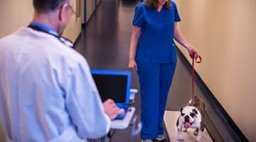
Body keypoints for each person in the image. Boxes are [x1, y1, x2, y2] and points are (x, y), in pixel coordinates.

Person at [0, 0, 124, 141]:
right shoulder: (68, 60)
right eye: (71, 11)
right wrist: (103, 115)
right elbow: (92, 128)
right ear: (63, 10)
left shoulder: (4, 48)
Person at [128, 0, 199, 142]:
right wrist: (131, 58)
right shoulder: (141, 9)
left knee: (162, 96)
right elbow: (135, 35)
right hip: (147, 59)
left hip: (168, 59)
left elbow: (175, 31)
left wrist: (188, 46)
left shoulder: (172, 7)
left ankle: (158, 131)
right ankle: (147, 135)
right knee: (150, 97)